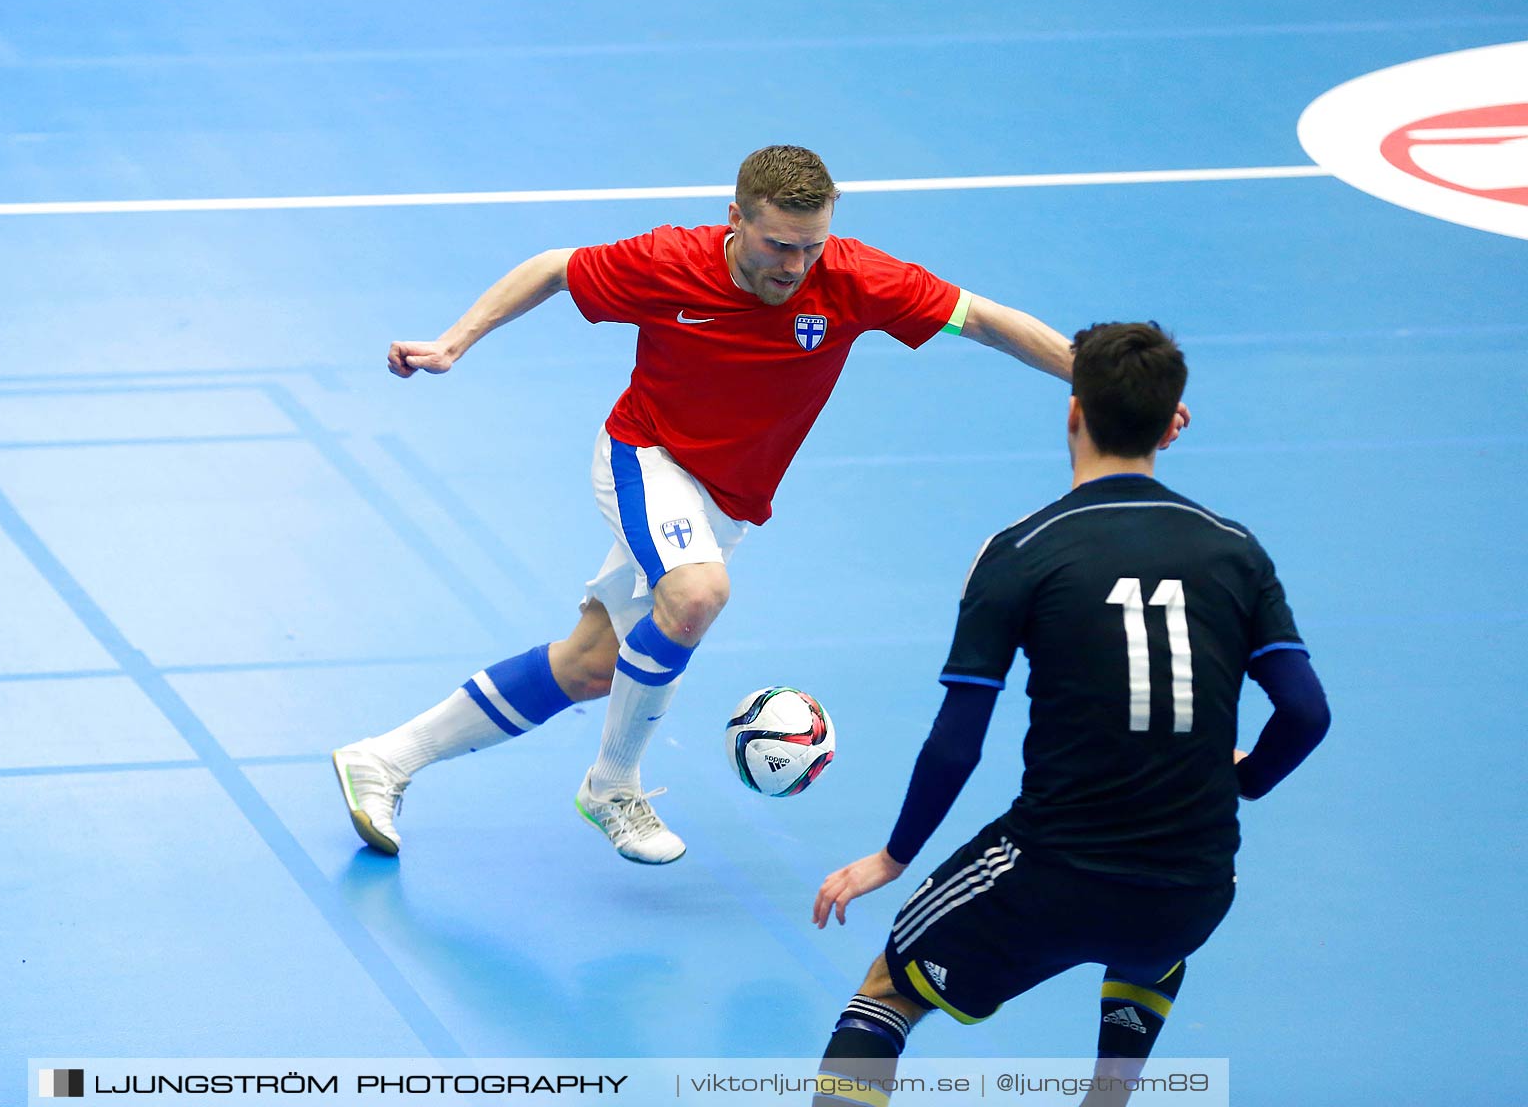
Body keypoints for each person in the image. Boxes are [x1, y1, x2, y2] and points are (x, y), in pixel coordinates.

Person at [331, 145, 1178, 865]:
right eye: (778, 246)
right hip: (647, 456)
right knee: (696, 594)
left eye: (811, 247)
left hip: (729, 500)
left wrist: (1107, 388)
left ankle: (383, 759)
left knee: (593, 665)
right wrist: (454, 342)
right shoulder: (669, 262)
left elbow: (986, 320)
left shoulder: (851, 279)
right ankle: (611, 786)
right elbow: (555, 268)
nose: (795, 266)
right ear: (734, 217)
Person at [806, 322, 1330, 1107]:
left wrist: (894, 857)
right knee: (1153, 943)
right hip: (1193, 881)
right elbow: (1306, 712)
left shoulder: (1021, 551)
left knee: (887, 992)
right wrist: (1246, 780)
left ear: (1073, 411)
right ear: (1168, 423)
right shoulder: (1236, 550)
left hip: (1051, 872)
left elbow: (957, 743)